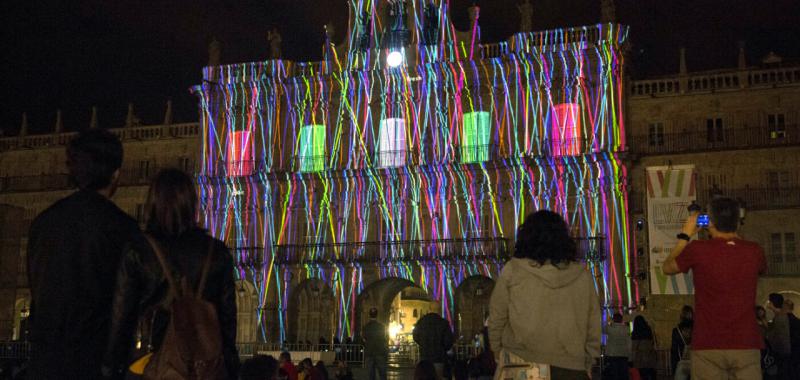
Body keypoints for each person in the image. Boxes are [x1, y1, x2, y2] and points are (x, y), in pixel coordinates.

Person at [26, 129, 142, 379]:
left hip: (44, 362)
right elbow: (127, 303)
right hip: (95, 363)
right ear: (115, 175)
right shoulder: (123, 228)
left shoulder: (43, 222)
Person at [102, 169, 239, 378]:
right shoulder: (217, 253)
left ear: (153, 203)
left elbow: (121, 320)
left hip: (149, 365)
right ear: (192, 204)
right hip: (204, 368)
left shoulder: (139, 250)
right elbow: (227, 322)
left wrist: (111, 369)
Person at [488, 210, 601, 380]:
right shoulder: (582, 277)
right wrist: (588, 361)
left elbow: (497, 317)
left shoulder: (513, 271)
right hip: (570, 368)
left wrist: (498, 351)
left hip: (521, 364)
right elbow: (593, 325)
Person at [662, 197, 766, 379]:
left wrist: (685, 234)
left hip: (707, 342)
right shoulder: (754, 251)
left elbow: (667, 267)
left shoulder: (698, 250)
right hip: (746, 342)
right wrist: (733, 230)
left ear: (709, 222)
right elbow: (759, 265)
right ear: (738, 220)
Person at [413, 312, 455, 378]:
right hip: (439, 358)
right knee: (437, 376)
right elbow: (448, 341)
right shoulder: (443, 323)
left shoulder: (421, 323)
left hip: (425, 358)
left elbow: (415, 337)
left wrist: (423, 345)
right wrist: (442, 348)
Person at [766, 293, 791, 380]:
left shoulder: (780, 317)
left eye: (769, 301)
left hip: (781, 353)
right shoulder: (779, 316)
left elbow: (782, 337)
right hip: (782, 353)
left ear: (772, 303)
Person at [362, 307, 389, 380]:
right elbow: (385, 339)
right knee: (382, 375)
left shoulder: (366, 327)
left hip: (369, 353)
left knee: (371, 375)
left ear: (369, 315)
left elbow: (364, 339)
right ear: (377, 315)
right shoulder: (381, 327)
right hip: (380, 352)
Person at [604, 313, 631, 380]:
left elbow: (604, 329)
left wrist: (608, 322)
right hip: (623, 354)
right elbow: (628, 342)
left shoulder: (610, 329)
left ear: (613, 319)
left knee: (614, 373)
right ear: (621, 320)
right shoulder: (626, 329)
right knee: (623, 373)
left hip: (612, 354)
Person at [630, 316, 657, 380]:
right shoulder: (648, 330)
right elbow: (653, 342)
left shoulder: (635, 333)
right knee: (651, 373)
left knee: (643, 375)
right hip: (650, 356)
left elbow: (634, 347)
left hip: (640, 358)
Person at [669, 305, 693, 376]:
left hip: (681, 364)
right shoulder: (696, 329)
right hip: (694, 363)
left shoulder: (676, 331)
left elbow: (674, 352)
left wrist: (674, 370)